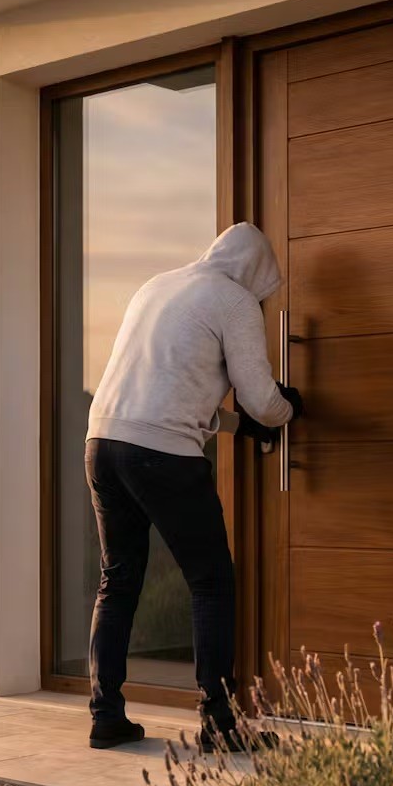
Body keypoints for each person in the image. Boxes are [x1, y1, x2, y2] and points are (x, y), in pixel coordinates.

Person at [84, 222, 303, 752]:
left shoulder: (157, 286)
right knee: (210, 583)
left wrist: (236, 425)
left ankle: (106, 716)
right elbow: (261, 400)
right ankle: (218, 723)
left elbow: (174, 394)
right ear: (255, 272)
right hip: (162, 455)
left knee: (119, 579)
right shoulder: (234, 301)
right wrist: (290, 407)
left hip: (102, 442)